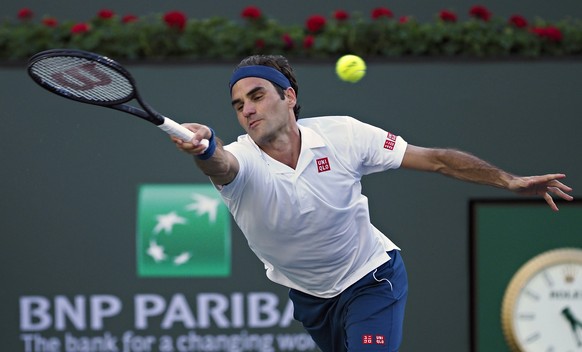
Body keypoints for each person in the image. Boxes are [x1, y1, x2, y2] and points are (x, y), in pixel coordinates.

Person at [171, 54, 573, 352]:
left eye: (256, 96)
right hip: (312, 299)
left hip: (371, 279)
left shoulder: (344, 135)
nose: (248, 110)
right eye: (239, 105)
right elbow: (222, 164)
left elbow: (435, 159)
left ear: (289, 96)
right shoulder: (242, 159)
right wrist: (205, 147)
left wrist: (509, 180)